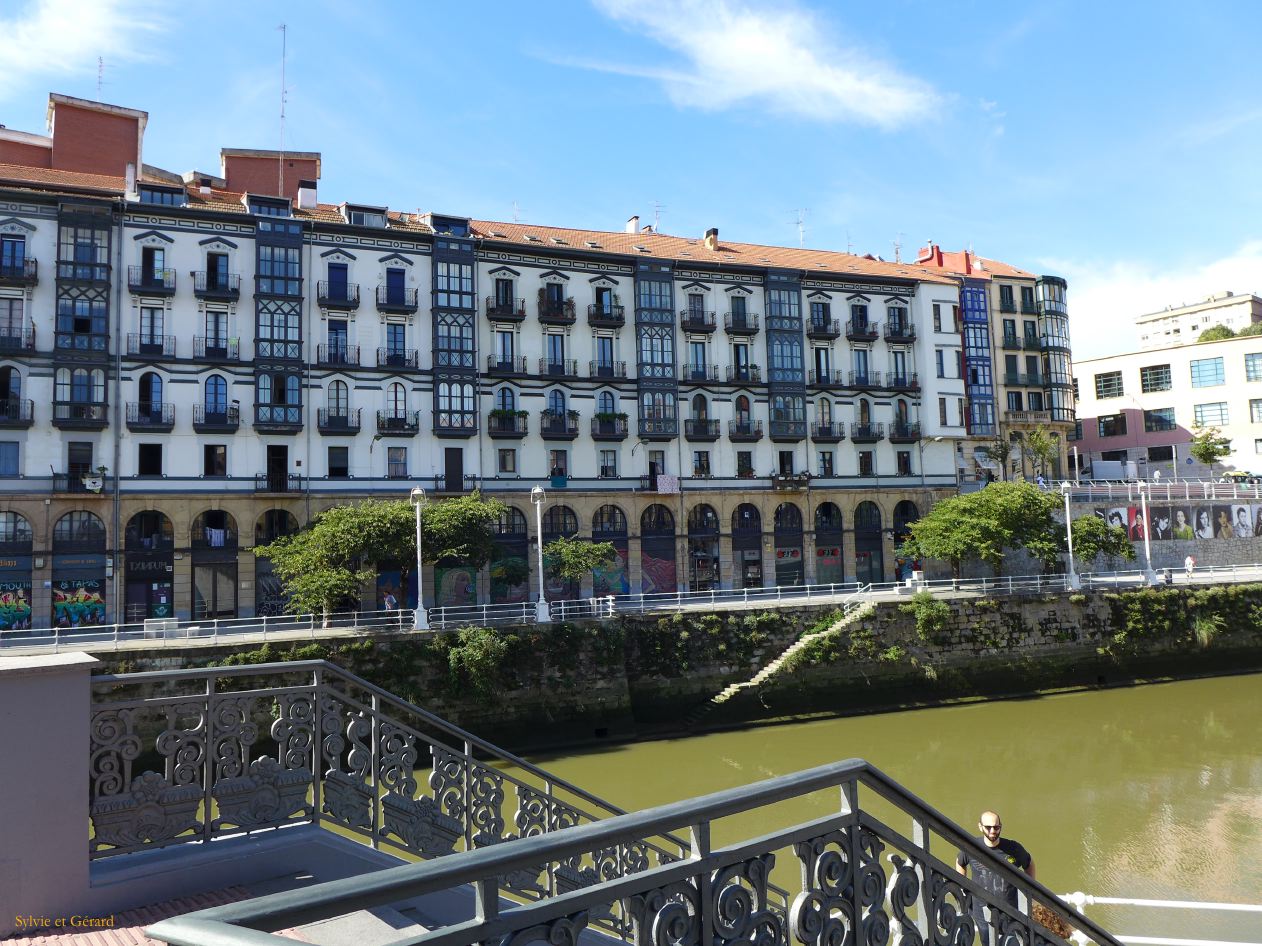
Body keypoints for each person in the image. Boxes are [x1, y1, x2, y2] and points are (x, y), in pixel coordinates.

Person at [956, 811, 1035, 946]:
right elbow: (960, 862)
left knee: (1012, 942)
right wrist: (963, 887)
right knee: (988, 943)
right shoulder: (971, 846)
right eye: (988, 827)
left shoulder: (1013, 848)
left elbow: (1029, 864)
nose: (993, 831)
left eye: (996, 827)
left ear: (1000, 827)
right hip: (981, 910)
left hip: (1010, 911)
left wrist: (1028, 891)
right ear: (980, 827)